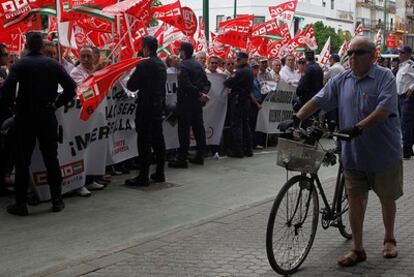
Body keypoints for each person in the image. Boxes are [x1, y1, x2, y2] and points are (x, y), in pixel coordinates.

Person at [295, 36, 402, 267]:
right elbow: (319, 99)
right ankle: (357, 248)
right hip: (352, 154)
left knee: (387, 198)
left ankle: (389, 239)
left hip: (383, 152)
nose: (352, 57)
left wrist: (358, 127)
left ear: (373, 56)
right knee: (355, 199)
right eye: (350, 53)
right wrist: (297, 117)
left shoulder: (385, 77)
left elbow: (384, 110)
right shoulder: (342, 79)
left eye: (358, 52)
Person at [0, 32, 77, 215]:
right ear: (42, 46)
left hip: (25, 117)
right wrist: (55, 104)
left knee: (22, 161)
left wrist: (13, 108)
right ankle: (57, 199)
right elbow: (71, 88)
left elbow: (7, 92)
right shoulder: (52, 64)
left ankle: (21, 203)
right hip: (46, 115)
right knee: (51, 157)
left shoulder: (20, 64)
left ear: (27, 45)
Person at [124, 36, 167, 186]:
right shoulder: (161, 64)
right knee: (158, 139)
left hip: (146, 106)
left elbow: (131, 85)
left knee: (144, 141)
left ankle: (143, 176)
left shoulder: (144, 64)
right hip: (157, 106)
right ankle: (160, 172)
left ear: (145, 48)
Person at [168, 42, 211, 168]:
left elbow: (185, 85)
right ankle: (200, 156)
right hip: (197, 103)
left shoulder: (184, 65)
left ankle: (182, 159)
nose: (178, 53)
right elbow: (207, 83)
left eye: (180, 50)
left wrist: (200, 94)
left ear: (183, 52)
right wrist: (202, 94)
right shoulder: (198, 65)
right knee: (199, 128)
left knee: (184, 130)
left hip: (186, 102)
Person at [70, 46, 105, 195]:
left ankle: (91, 179)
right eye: (82, 56)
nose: (85, 59)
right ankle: (80, 183)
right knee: (81, 149)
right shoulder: (75, 72)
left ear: (93, 57)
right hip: (81, 117)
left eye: (88, 56)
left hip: (96, 115)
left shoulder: (94, 70)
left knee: (93, 147)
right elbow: (84, 89)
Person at [224, 52, 254, 158]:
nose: (236, 62)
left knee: (236, 125)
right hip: (245, 99)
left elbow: (228, 83)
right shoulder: (249, 70)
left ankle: (238, 150)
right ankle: (248, 149)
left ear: (243, 59)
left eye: (238, 60)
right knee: (245, 124)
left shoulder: (240, 71)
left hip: (238, 99)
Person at [396, 45, 414, 159]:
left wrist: (412, 88)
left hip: (407, 98)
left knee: (406, 124)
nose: (400, 54)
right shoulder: (402, 66)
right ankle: (409, 149)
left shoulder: (410, 65)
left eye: (402, 53)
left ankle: (406, 151)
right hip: (400, 97)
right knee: (406, 124)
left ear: (408, 54)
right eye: (400, 52)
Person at [249, 60, 264, 149]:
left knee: (257, 123)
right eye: (254, 68)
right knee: (252, 123)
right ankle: (252, 143)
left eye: (257, 68)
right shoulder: (250, 79)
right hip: (253, 104)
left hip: (259, 101)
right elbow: (250, 93)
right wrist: (257, 103)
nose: (256, 70)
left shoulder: (257, 78)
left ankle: (256, 142)